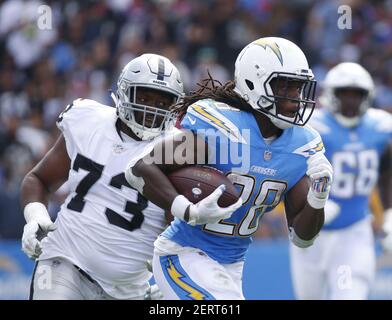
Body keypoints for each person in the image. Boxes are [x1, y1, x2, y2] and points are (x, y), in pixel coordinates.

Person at [125, 37, 333, 300]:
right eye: (285, 87)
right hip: (183, 254)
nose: (295, 100)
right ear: (252, 83)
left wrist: (318, 197)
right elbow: (140, 168)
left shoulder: (303, 145)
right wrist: (187, 210)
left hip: (232, 267)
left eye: (299, 89)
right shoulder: (221, 127)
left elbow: (302, 239)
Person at [20, 53, 184, 300]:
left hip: (129, 290)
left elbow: (179, 224)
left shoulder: (179, 149)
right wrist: (36, 217)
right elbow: (39, 179)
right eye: (145, 97)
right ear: (125, 92)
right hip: (64, 263)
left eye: (162, 103)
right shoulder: (87, 120)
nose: (151, 109)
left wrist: (172, 259)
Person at [289, 62, 392, 300]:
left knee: (349, 295)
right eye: (344, 93)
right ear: (332, 95)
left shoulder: (380, 127)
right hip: (310, 233)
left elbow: (387, 173)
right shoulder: (312, 127)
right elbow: (290, 171)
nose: (351, 101)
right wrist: (312, 200)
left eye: (357, 94)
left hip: (354, 232)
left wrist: (389, 215)